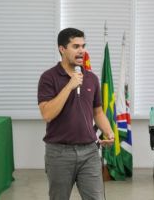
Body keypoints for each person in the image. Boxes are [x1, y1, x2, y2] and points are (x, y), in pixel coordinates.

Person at [37, 28, 114, 200]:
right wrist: (70, 86)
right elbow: (47, 114)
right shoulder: (48, 77)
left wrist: (108, 131)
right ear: (62, 49)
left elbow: (98, 112)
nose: (81, 50)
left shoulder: (92, 79)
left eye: (83, 46)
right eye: (76, 46)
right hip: (59, 153)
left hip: (90, 152)